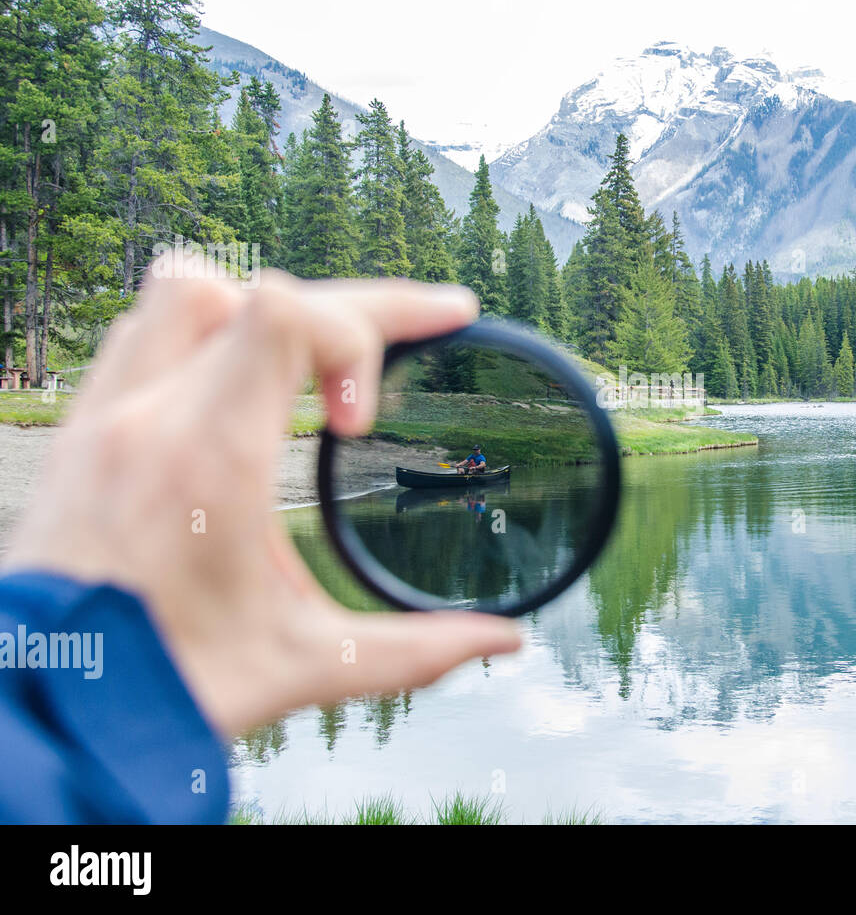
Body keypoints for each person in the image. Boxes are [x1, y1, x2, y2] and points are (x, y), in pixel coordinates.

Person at [0, 254, 521, 823]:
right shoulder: (471, 466)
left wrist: (38, 615)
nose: (475, 463)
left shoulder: (478, 472)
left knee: (469, 488)